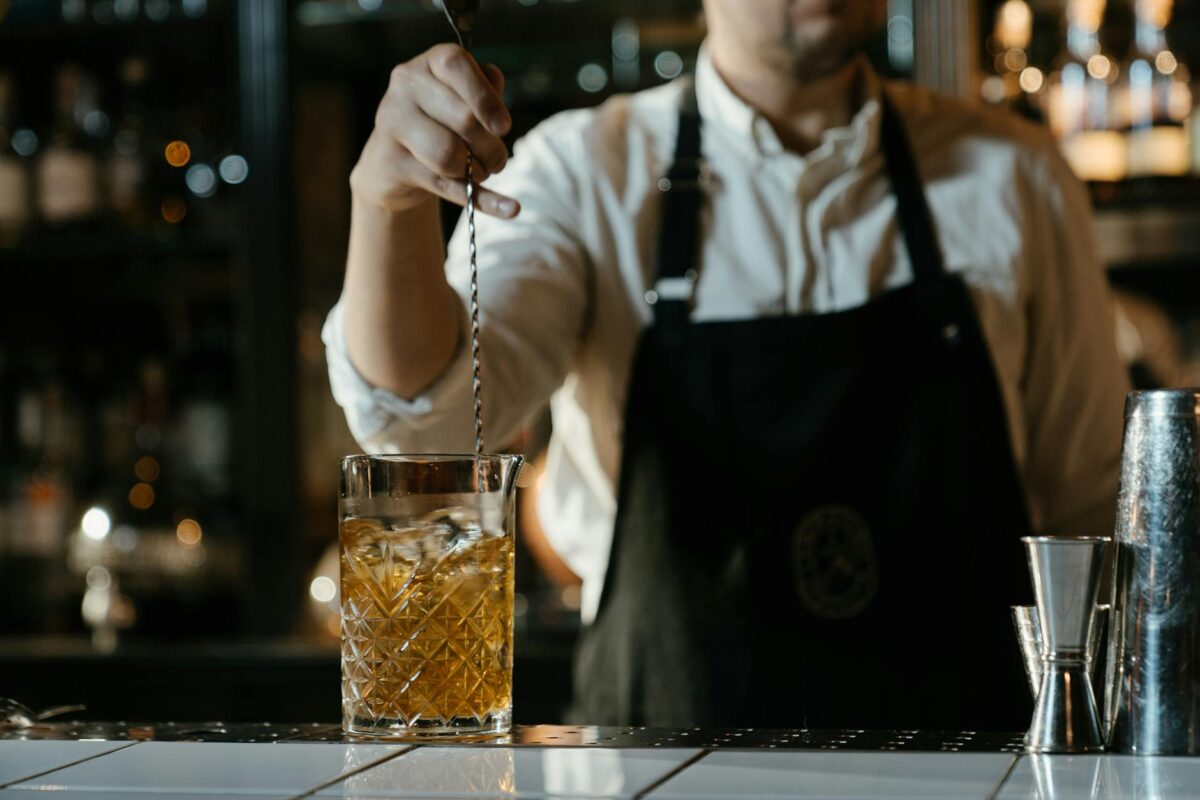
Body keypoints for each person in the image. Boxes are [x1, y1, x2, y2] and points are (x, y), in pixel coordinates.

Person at [324, 0, 1129, 729]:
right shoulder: (582, 173)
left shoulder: (1017, 175)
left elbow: (1091, 513)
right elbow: (421, 421)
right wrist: (389, 205)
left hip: (972, 762)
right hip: (656, 761)